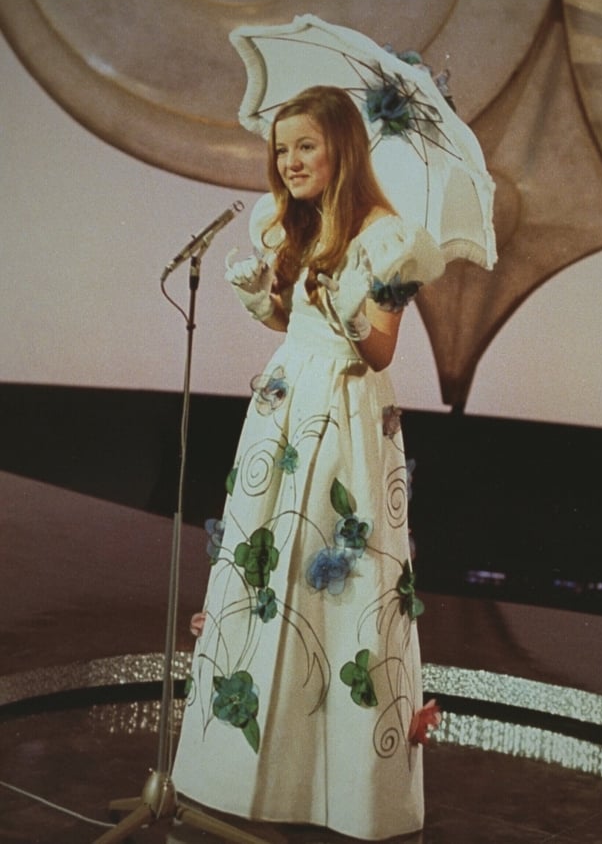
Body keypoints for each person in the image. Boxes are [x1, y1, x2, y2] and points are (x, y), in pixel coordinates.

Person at [172, 85, 444, 841]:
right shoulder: (286, 223)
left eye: (305, 147)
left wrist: (349, 298)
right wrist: (269, 300)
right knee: (275, 570)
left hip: (348, 413)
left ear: (341, 150)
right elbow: (299, 326)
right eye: (282, 149)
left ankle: (344, 789)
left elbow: (379, 346)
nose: (289, 162)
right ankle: (254, 775)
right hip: (287, 407)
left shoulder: (385, 234)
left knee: (338, 575)